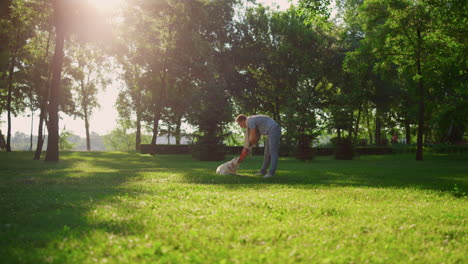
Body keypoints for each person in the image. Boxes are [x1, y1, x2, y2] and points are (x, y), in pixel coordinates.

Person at [236, 114, 281, 178]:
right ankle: (263, 171)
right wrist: (249, 147)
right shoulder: (251, 121)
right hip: (271, 131)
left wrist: (246, 148)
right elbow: (257, 137)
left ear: (243, 121)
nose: (240, 126)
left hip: (274, 129)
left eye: (239, 124)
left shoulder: (250, 121)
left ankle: (271, 173)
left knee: (273, 152)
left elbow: (253, 137)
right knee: (267, 153)